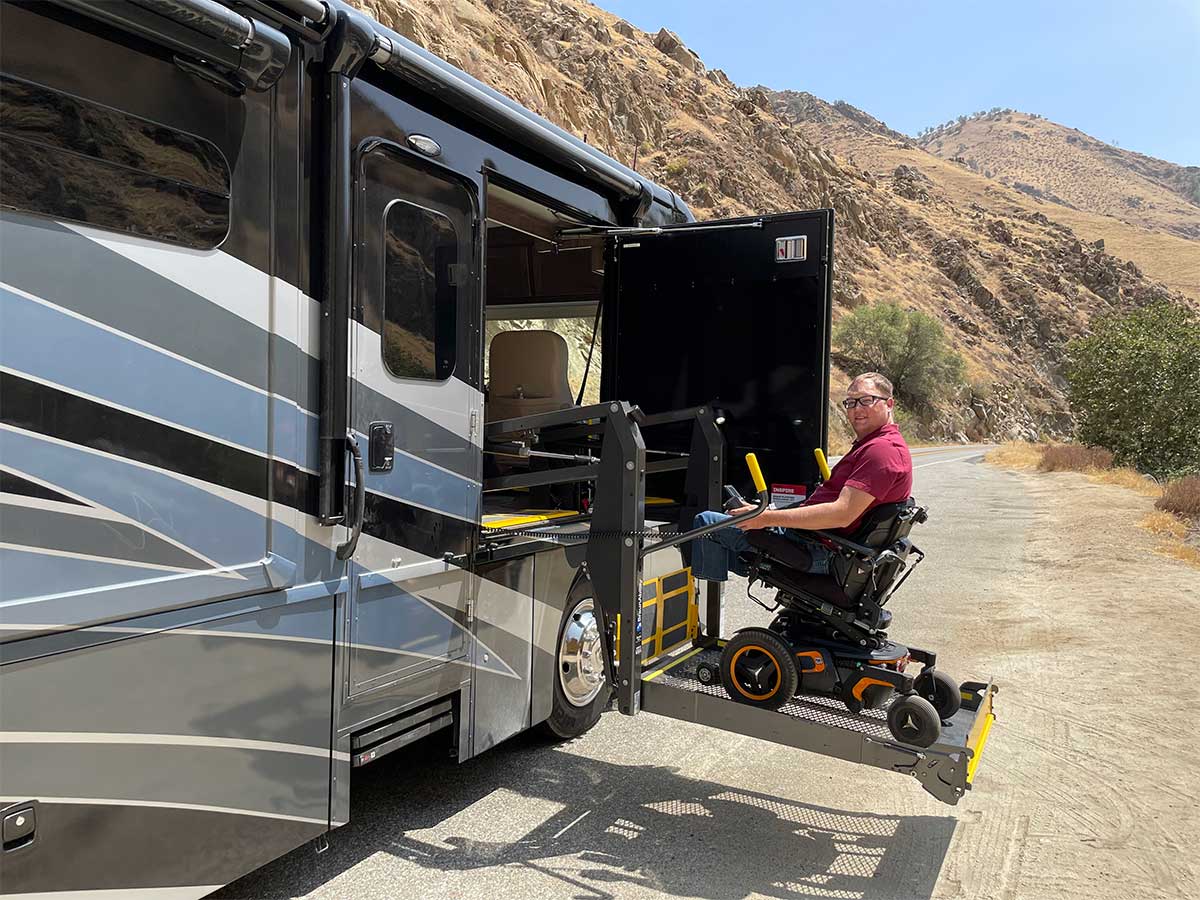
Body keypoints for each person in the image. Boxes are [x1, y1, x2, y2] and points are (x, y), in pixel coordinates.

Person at [689, 372, 913, 582]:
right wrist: (769, 513)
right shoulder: (876, 445)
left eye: (866, 400)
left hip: (819, 548)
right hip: (820, 539)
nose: (856, 409)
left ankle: (704, 606)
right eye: (851, 402)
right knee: (733, 524)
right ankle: (747, 560)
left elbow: (843, 514)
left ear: (889, 403)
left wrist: (765, 518)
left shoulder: (882, 451)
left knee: (706, 524)